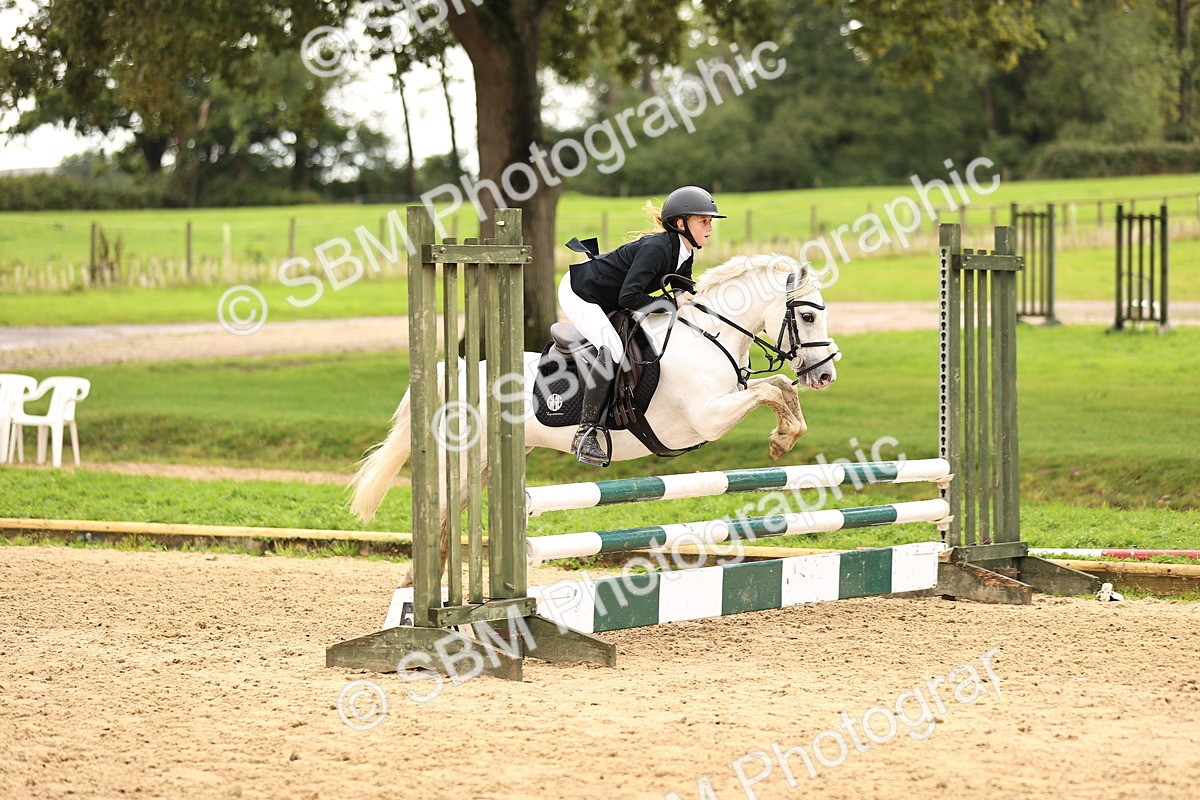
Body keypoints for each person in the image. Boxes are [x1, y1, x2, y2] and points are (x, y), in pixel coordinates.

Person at [558, 185, 726, 466]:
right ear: (681, 224)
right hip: (582, 293)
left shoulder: (684, 253)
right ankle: (586, 431)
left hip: (608, 295)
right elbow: (630, 297)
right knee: (611, 348)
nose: (709, 227)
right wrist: (672, 303)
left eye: (709, 222)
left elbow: (687, 295)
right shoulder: (657, 249)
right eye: (704, 221)